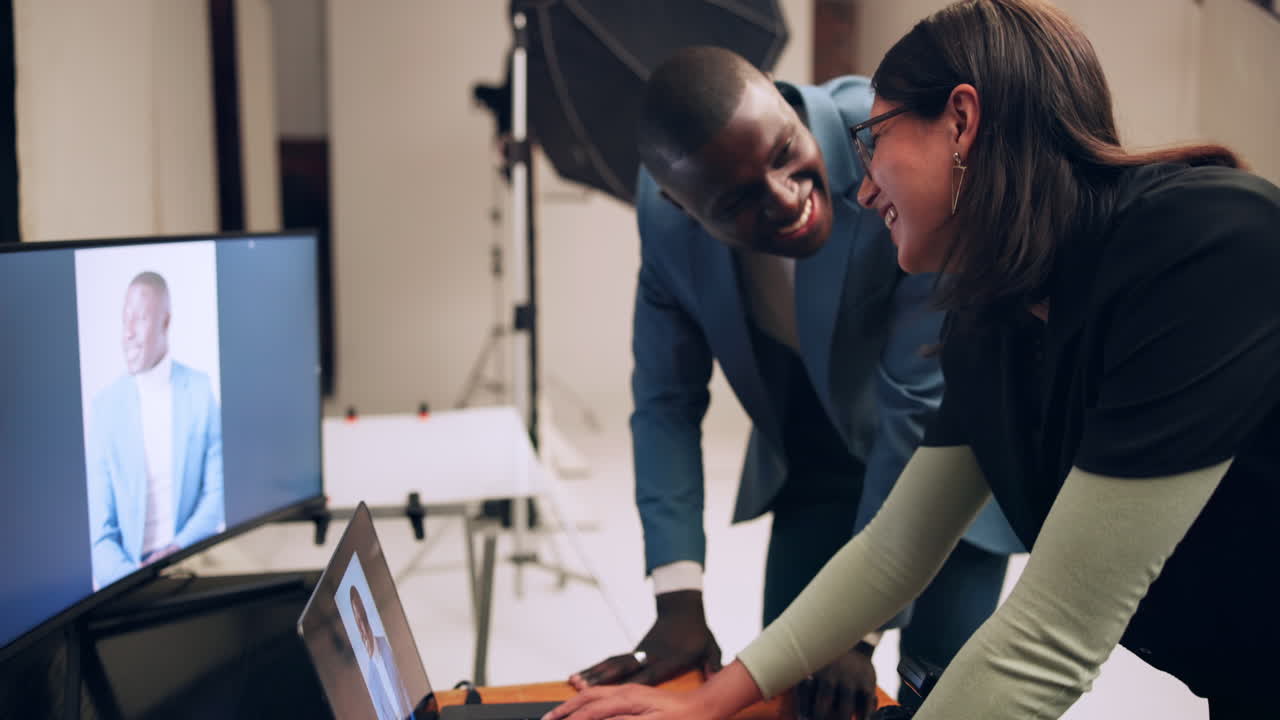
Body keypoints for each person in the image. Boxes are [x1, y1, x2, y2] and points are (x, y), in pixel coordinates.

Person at [543, 1, 1280, 719]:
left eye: (873, 141)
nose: (859, 186)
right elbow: (893, 550)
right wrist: (707, 704)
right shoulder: (993, 316)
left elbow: (1049, 643)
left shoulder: (1207, 245)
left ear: (960, 121)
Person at [570, 46, 1022, 718]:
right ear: (682, 205)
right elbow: (665, 403)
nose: (786, 197)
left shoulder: (889, 149)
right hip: (813, 461)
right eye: (739, 198)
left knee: (946, 692)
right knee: (789, 695)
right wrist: (678, 602)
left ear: (785, 104)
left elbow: (916, 402)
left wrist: (856, 629)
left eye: (785, 152)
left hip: (946, 462)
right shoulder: (664, 220)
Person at [86, 271, 224, 589]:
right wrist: (133, 580)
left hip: (191, 560)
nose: (128, 333)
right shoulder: (105, 406)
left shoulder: (200, 390)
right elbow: (100, 534)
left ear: (165, 322)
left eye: (141, 319)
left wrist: (177, 548)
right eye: (125, 320)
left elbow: (217, 494)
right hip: (126, 583)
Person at [350, 586, 415, 720]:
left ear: (367, 614)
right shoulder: (371, 681)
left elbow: (413, 692)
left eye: (362, 618)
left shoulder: (391, 646)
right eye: (358, 623)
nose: (362, 629)